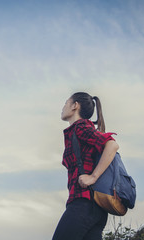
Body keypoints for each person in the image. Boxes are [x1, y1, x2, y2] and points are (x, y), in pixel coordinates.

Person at [52, 92, 119, 240]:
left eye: (65, 103)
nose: (62, 108)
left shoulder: (80, 127)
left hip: (84, 203)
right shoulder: (77, 131)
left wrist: (93, 177)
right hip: (95, 209)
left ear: (75, 106)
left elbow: (112, 145)